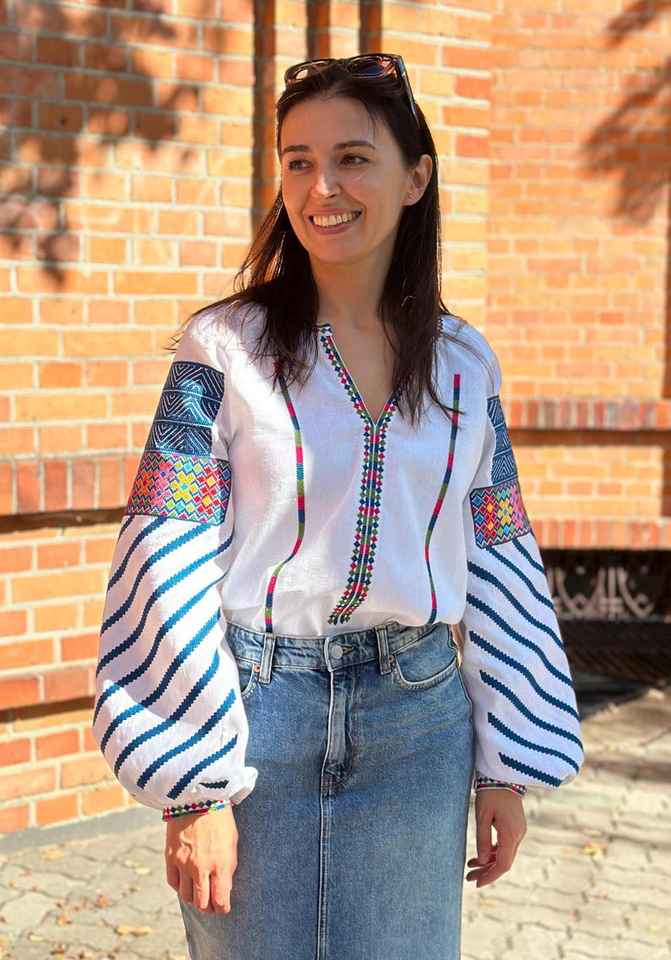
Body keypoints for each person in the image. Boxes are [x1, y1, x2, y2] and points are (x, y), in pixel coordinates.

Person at [92, 54, 585, 960]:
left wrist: (505, 765)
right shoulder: (223, 349)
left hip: (417, 722)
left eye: (352, 158)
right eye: (298, 161)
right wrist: (191, 783)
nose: (322, 187)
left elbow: (498, 554)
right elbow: (165, 546)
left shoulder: (463, 367)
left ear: (416, 177)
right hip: (253, 718)